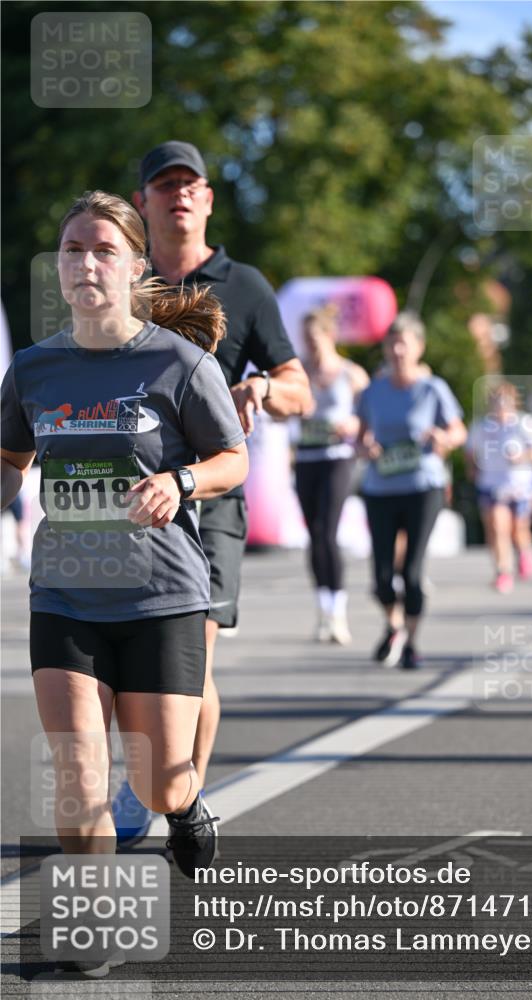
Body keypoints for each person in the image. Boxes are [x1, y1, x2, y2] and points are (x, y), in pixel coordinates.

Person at [0, 190, 248, 920]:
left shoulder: (178, 362)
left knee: (161, 783)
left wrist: (181, 481)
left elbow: (232, 459)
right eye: (73, 249)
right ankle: (95, 920)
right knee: (78, 777)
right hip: (65, 596)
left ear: (136, 266)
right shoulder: (34, 369)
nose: (85, 263)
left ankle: (184, 803)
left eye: (103, 250)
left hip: (161, 599)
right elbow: (11, 459)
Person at [111, 141, 311, 841]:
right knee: (127, 658)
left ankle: (176, 802)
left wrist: (260, 387)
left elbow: (299, 387)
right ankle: (161, 781)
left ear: (208, 198)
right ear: (142, 203)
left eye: (189, 184)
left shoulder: (245, 285)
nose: (178, 195)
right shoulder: (123, 282)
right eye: (163, 185)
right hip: (130, 498)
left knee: (189, 650)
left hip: (210, 494)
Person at [356, 312, 466, 669]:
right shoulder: (373, 390)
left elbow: (458, 431)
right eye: (392, 343)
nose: (398, 350)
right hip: (380, 487)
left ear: (419, 347)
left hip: (423, 486)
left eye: (405, 343)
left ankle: (412, 642)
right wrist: (366, 447)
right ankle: (393, 625)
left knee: (413, 572)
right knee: (382, 576)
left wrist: (444, 439)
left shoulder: (433, 389)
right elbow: (360, 436)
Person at [294, 305, 369, 643]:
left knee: (327, 529)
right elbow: (281, 416)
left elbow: (371, 416)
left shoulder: (351, 374)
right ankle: (322, 609)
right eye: (306, 340)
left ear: (330, 336)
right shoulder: (298, 373)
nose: (310, 346)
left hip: (339, 457)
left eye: (315, 339)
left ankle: (338, 612)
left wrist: (352, 424)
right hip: (307, 457)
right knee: (314, 535)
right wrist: (297, 409)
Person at [465, 382, 532, 593]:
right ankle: (503, 571)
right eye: (496, 401)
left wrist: (523, 457)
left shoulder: (524, 423)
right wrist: (472, 469)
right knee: (497, 526)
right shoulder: (481, 426)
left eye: (505, 401)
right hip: (492, 485)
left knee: (519, 529)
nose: (500, 406)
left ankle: (524, 551)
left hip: (520, 485)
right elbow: (470, 450)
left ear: (514, 402)